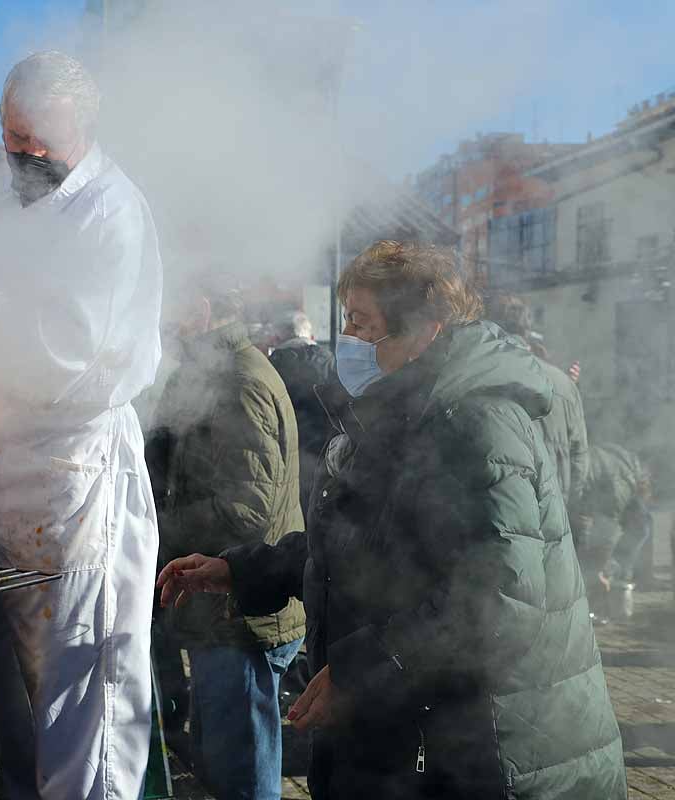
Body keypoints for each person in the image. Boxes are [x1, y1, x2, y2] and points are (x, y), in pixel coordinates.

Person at [158, 240, 625, 799]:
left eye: (363, 322)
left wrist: (361, 669)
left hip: (494, 753)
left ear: (425, 326)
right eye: (346, 319)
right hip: (419, 733)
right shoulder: (404, 408)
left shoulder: (476, 422)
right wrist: (239, 569)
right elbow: (362, 544)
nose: (349, 340)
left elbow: (499, 600)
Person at [0, 52, 163, 800]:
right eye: (9, 134)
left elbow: (68, 355)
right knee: (15, 692)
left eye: (36, 136)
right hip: (10, 479)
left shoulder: (109, 212)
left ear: (78, 124)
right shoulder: (26, 210)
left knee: (84, 699)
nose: (21, 151)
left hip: (78, 480)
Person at [147, 275, 304, 799]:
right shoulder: (206, 375)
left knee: (243, 770)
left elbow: (246, 510)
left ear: (201, 307)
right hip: (222, 610)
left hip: (243, 616)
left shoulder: (239, 382)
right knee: (223, 757)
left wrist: (158, 531)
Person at [485, 294, 589, 505]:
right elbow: (580, 459)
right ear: (526, 329)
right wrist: (568, 510)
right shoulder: (564, 384)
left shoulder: (479, 377)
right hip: (555, 513)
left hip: (497, 515)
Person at [574, 443, 653, 621]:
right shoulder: (622, 487)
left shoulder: (625, 464)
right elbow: (606, 531)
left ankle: (610, 578)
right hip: (575, 479)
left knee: (641, 527)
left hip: (577, 473)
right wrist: (599, 571)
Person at [267, 310, 335, 517]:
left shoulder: (273, 367)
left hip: (289, 454)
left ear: (278, 338)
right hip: (325, 453)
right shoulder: (331, 361)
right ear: (310, 336)